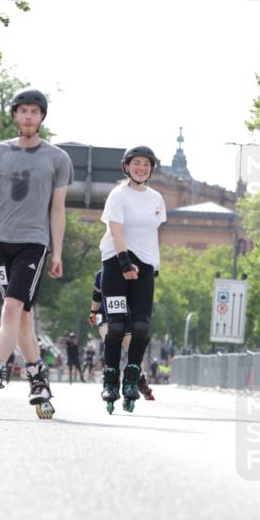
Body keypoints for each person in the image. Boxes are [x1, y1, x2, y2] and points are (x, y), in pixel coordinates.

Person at [0, 87, 73, 416]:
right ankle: (38, 379)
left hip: (34, 243)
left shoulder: (57, 158)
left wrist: (56, 252)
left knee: (11, 309)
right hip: (1, 242)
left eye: (35, 111)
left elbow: (58, 210)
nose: (29, 116)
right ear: (15, 115)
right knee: (23, 318)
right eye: (23, 110)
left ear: (42, 117)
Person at [98, 146, 166, 409]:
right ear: (126, 167)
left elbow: (152, 235)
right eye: (136, 163)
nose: (141, 168)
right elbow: (116, 232)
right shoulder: (118, 195)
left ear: (151, 169)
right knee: (115, 327)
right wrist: (125, 262)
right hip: (116, 262)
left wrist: (154, 265)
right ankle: (110, 378)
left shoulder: (157, 199)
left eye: (146, 164)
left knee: (141, 326)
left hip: (146, 264)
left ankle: (131, 376)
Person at [88, 266, 155, 400]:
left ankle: (138, 378)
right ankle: (110, 379)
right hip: (105, 315)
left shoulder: (135, 273)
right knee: (110, 339)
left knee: (131, 348)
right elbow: (96, 295)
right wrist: (93, 312)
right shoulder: (102, 273)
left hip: (125, 315)